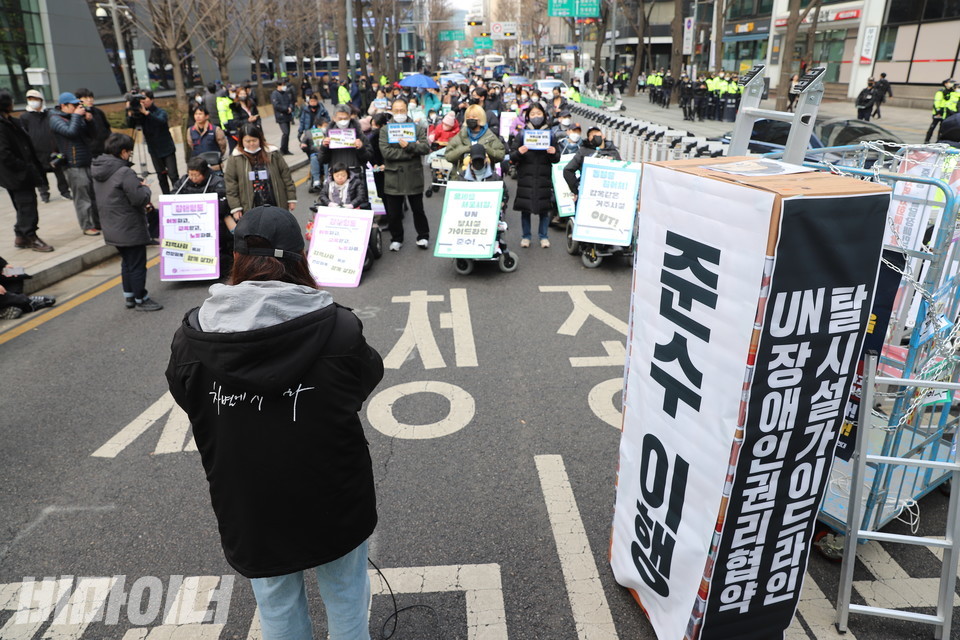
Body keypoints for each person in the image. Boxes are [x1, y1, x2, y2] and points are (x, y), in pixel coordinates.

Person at [165, 204, 383, 640]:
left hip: (249, 499)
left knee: (277, 602)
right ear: (300, 259)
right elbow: (364, 380)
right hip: (333, 490)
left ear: (238, 259)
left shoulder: (194, 339)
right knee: (345, 595)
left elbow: (187, 397)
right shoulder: (338, 328)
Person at [92, 133, 162, 311]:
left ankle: (129, 297)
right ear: (123, 152)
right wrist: (145, 188)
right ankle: (141, 298)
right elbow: (139, 198)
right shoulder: (125, 172)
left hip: (111, 227)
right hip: (129, 227)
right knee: (137, 264)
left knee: (127, 263)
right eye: (129, 152)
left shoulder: (99, 168)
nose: (129, 156)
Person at [0, 89, 53, 252]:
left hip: (22, 171)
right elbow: (3, 153)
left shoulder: (12, 122)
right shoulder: (2, 126)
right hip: (15, 174)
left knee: (24, 205)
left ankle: (21, 236)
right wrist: (23, 166)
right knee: (27, 205)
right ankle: (30, 236)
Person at [379, 98, 431, 251]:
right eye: (396, 110)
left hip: (413, 175)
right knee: (394, 213)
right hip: (393, 176)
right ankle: (397, 238)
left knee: (418, 209)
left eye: (402, 110)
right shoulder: (385, 130)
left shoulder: (417, 128)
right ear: (392, 111)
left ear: (407, 110)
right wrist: (410, 152)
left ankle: (423, 236)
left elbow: (425, 148)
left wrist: (409, 146)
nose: (399, 113)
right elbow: (386, 152)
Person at [49, 92, 101, 235]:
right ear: (63, 106)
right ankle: (87, 226)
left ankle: (98, 222)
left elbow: (93, 135)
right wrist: (77, 116)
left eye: (78, 105)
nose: (78, 107)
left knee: (93, 194)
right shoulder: (55, 118)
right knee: (82, 197)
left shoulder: (75, 117)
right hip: (72, 164)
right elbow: (70, 133)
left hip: (86, 160)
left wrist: (89, 121)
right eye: (74, 105)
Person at [510, 103, 560, 248]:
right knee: (525, 209)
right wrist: (520, 151)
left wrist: (553, 153)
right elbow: (512, 156)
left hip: (543, 177)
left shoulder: (550, 134)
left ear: (544, 115)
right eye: (532, 114)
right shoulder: (522, 134)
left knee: (544, 209)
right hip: (526, 176)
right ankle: (526, 236)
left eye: (539, 114)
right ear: (527, 117)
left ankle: (543, 236)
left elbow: (557, 159)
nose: (536, 117)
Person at [173, 156, 234, 269]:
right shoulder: (183, 181)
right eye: (190, 174)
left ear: (204, 173)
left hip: (212, 223)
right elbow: (173, 197)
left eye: (196, 175)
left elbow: (223, 206)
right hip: (189, 224)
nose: (193, 178)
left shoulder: (217, 182)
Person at [224, 123, 297, 217]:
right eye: (247, 141)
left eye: (254, 140)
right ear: (241, 141)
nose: (251, 144)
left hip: (275, 201)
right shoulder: (235, 158)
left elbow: (286, 176)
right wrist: (236, 207)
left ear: (260, 138)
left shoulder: (273, 153)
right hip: (250, 205)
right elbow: (231, 184)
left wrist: (291, 198)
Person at [127, 90, 179, 194]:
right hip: (154, 150)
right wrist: (128, 111)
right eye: (140, 99)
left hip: (167, 148)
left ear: (151, 99)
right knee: (161, 176)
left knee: (173, 175)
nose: (142, 102)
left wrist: (146, 113)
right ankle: (166, 197)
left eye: (144, 99)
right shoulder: (140, 114)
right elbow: (131, 125)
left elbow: (161, 121)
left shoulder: (160, 112)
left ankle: (178, 195)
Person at [444, 105, 505, 180]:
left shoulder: (490, 136)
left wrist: (484, 149)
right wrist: (465, 149)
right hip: (462, 179)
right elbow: (448, 156)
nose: (471, 119)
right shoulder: (461, 135)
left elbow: (500, 155)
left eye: (474, 117)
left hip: (485, 180)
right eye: (468, 117)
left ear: (481, 118)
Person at [562, 127, 622, 197]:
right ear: (589, 139)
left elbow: (621, 172)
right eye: (592, 135)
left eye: (597, 134)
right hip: (588, 195)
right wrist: (576, 189)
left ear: (603, 136)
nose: (595, 137)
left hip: (608, 194)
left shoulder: (613, 152)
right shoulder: (583, 151)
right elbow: (568, 170)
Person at [319, 104, 370, 176]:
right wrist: (324, 147)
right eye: (340, 119)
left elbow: (368, 157)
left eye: (345, 118)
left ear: (350, 117)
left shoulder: (359, 135)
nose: (343, 121)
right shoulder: (328, 136)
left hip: (355, 174)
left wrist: (361, 148)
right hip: (336, 176)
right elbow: (322, 160)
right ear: (334, 118)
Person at [74, 88, 111, 157]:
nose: (89, 100)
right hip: (89, 152)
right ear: (78, 100)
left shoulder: (98, 112)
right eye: (85, 97)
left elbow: (107, 128)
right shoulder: (77, 115)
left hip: (104, 149)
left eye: (90, 97)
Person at [226, 86, 261, 151]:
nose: (243, 95)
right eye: (241, 94)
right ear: (238, 95)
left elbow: (257, 115)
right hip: (245, 131)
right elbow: (236, 122)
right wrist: (248, 120)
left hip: (255, 129)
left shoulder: (251, 103)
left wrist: (258, 124)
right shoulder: (235, 107)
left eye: (244, 94)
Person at [926, 79, 959, 143]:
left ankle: (938, 141)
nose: (952, 84)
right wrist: (938, 112)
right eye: (950, 82)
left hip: (945, 113)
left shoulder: (951, 92)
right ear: (945, 83)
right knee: (932, 127)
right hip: (938, 113)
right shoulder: (941, 91)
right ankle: (927, 140)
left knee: (941, 129)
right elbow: (937, 102)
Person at [270, 77, 295, 155]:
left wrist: (291, 107)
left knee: (288, 133)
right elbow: (276, 105)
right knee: (285, 133)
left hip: (287, 115)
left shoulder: (285, 93)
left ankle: (286, 149)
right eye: (283, 85)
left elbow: (290, 101)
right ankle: (282, 149)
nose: (285, 86)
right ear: (279, 85)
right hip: (281, 116)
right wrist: (286, 109)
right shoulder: (275, 94)